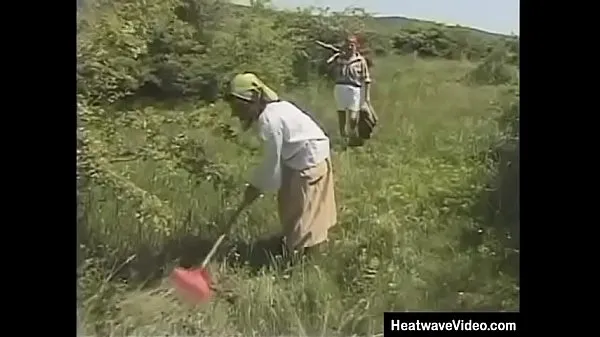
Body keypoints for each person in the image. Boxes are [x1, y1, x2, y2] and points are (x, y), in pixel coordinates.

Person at [226, 73, 337, 258]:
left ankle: (303, 259)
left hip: (310, 161)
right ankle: (297, 245)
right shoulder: (274, 110)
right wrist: (257, 185)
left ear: (254, 100)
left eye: (239, 107)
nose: (235, 113)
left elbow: (272, 165)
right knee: (288, 204)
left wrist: (255, 188)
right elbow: (273, 164)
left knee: (305, 212)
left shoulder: (270, 121)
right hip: (295, 158)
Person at [327, 35, 373, 143]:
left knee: (353, 117)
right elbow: (328, 65)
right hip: (340, 88)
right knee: (341, 114)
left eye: (352, 45)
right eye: (347, 45)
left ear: (356, 46)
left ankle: (352, 133)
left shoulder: (360, 60)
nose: (350, 47)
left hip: (354, 89)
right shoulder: (340, 58)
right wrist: (336, 56)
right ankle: (343, 136)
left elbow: (366, 79)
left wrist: (367, 98)